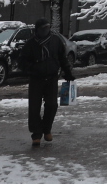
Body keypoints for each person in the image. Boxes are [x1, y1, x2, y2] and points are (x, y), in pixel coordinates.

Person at [18, 19, 74, 148]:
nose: (45, 31)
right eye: (42, 28)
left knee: (52, 105)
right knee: (34, 107)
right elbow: (22, 62)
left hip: (52, 77)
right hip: (36, 79)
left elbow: (62, 58)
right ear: (37, 30)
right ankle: (36, 134)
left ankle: (47, 129)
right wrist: (33, 68)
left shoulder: (55, 41)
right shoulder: (31, 44)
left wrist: (68, 73)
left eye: (47, 28)